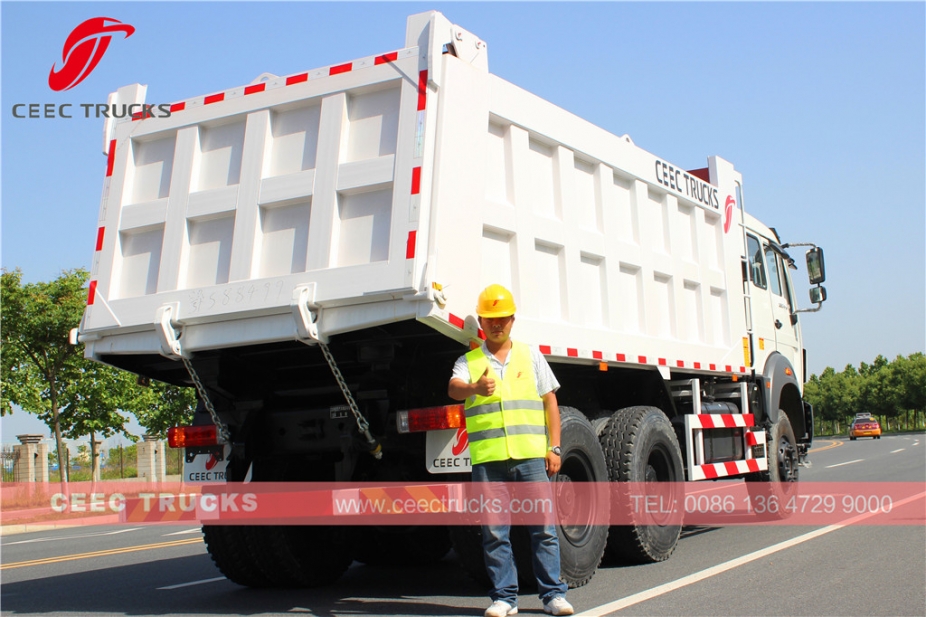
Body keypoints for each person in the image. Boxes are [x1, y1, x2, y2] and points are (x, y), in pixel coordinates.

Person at [448, 284, 574, 617]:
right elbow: (453, 388)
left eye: (502, 318)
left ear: (512, 320)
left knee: (543, 528)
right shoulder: (470, 361)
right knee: (493, 532)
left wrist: (555, 447)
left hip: (530, 457)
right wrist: (475, 387)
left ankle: (552, 596)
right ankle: (504, 598)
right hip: (489, 462)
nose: (497, 324)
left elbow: (550, 402)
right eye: (490, 319)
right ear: (481, 322)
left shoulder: (530, 355)